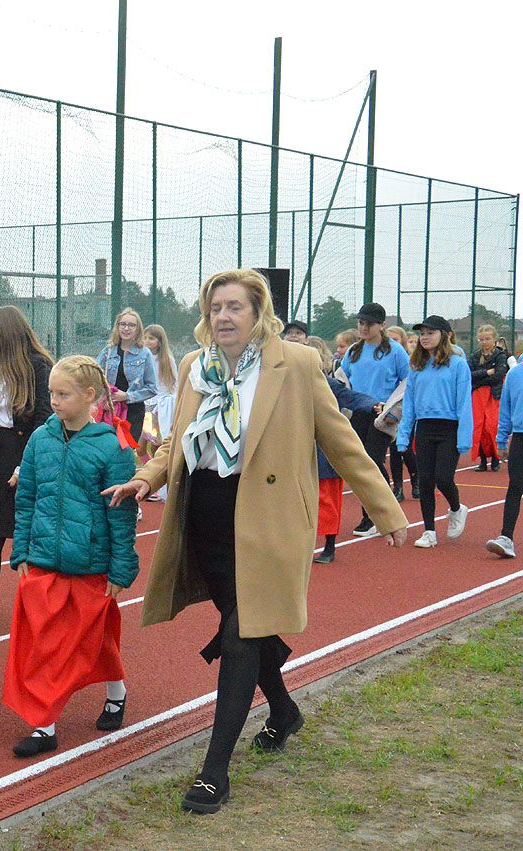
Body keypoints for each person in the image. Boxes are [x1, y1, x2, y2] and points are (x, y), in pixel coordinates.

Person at [103, 268, 405, 815]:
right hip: (208, 520)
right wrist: (146, 478)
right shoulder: (196, 368)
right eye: (215, 306)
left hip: (269, 525)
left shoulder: (297, 365)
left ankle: (214, 770)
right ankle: (284, 711)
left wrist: (384, 508)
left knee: (242, 638)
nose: (222, 316)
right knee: (250, 629)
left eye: (234, 307)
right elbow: (175, 442)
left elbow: (341, 440)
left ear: (259, 312)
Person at [4, 355, 136, 757]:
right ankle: (45, 726)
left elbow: (121, 512)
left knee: (96, 638)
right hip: (44, 559)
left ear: (90, 396)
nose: (55, 401)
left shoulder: (112, 447)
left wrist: (121, 566)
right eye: (52, 393)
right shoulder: (40, 440)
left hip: (90, 564)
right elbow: (26, 497)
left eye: (63, 394)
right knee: (45, 644)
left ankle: (117, 691)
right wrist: (21, 548)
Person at [0, 305, 53, 640]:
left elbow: (45, 417)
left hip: (29, 452)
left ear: (4, 335)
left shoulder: (38, 365)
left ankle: (42, 616)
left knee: (33, 540)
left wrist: (25, 464)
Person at [396, 316, 472, 549]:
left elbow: (464, 402)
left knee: (443, 478)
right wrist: (403, 435)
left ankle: (457, 509)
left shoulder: (458, 364)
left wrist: (464, 437)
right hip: (425, 427)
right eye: (422, 333)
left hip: (449, 427)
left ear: (445, 335)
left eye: (430, 333)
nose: (425, 337)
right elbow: (409, 403)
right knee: (426, 480)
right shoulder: (416, 365)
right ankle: (429, 531)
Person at [304, 336, 380, 564]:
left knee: (328, 501)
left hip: (325, 452)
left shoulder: (327, 383)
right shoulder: (288, 384)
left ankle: (329, 546)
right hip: (300, 451)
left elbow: (352, 397)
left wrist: (373, 404)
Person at [341, 302, 410, 537]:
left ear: (382, 325)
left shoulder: (395, 351)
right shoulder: (353, 351)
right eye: (360, 322)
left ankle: (373, 516)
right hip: (359, 413)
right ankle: (377, 511)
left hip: (383, 415)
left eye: (369, 324)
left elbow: (406, 382)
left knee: (373, 461)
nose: (363, 327)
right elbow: (343, 378)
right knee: (360, 464)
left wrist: (393, 408)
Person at [96, 308, 159, 443]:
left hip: (133, 412)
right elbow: (94, 379)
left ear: (137, 329)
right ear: (117, 327)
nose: (126, 328)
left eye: (131, 325)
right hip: (110, 409)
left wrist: (126, 396)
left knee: (125, 449)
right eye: (123, 324)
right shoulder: (107, 352)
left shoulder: (145, 354)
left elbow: (152, 388)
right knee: (108, 447)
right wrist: (103, 398)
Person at [489, 354, 523, 558]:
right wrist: (501, 439)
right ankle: (506, 537)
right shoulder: (515, 373)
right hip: (520, 436)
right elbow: (506, 407)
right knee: (515, 486)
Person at [383, 327, 420, 502]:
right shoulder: (382, 358)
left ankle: (415, 477)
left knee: (403, 448)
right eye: (388, 338)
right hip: (388, 408)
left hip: (405, 408)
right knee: (394, 450)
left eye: (395, 339)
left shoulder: (410, 361)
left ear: (403, 342)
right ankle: (398, 486)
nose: (391, 342)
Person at [142, 323, 179, 493]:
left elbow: (174, 384)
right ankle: (154, 482)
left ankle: (159, 487)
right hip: (145, 406)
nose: (148, 341)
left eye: (152, 338)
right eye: (146, 338)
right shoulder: (142, 358)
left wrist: (167, 406)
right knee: (141, 447)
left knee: (156, 445)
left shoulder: (167, 360)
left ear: (159, 341)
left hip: (158, 408)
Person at [470, 324, 509, 472]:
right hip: (477, 395)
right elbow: (469, 374)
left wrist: (481, 377)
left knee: (491, 427)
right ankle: (482, 460)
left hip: (493, 395)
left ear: (494, 339)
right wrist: (487, 372)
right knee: (478, 426)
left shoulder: (500, 355)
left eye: (487, 339)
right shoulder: (475, 356)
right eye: (481, 339)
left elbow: (499, 376)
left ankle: (495, 459)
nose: (484, 342)